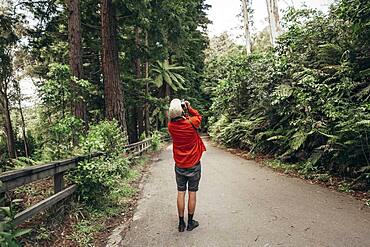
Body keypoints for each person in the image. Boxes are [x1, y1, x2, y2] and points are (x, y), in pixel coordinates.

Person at [168, 99, 206, 232]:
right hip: (194, 164)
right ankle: (190, 222)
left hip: (180, 165)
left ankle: (181, 224)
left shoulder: (171, 126)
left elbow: (176, 119)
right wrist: (189, 108)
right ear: (182, 110)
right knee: (192, 193)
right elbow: (199, 117)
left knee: (180, 192)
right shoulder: (191, 123)